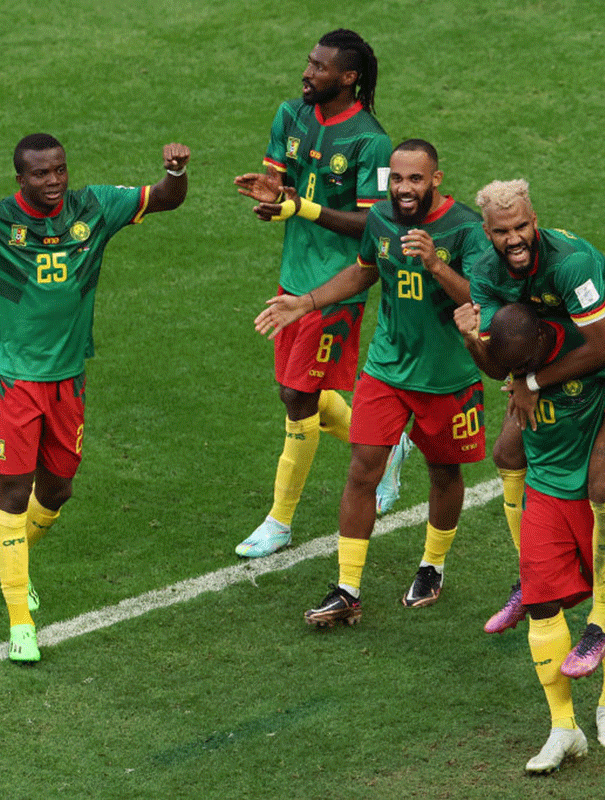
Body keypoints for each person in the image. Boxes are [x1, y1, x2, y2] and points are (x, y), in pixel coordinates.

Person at [0, 134, 190, 663]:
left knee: (57, 490)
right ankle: (21, 621)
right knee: (12, 491)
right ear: (21, 179)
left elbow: (166, 197)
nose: (54, 180)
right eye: (41, 174)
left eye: (60, 169)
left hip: (68, 377)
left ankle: (16, 563)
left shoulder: (94, 208)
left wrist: (174, 172)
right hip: (14, 377)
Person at [253, 139, 489, 624]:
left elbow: (485, 298)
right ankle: (347, 589)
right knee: (364, 470)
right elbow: (363, 272)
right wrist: (307, 302)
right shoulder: (380, 219)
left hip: (447, 376)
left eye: (415, 179)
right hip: (386, 368)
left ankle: (432, 566)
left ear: (436, 180)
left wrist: (436, 264)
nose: (404, 188)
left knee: (444, 472)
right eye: (397, 179)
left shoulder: (465, 227)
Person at [458, 178, 605, 682]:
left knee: (602, 482)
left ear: (536, 220)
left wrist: (529, 381)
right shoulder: (484, 273)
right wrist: (472, 341)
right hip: (557, 355)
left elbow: (603, 350)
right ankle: (529, 580)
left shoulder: (571, 263)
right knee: (507, 455)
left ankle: (600, 622)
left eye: (523, 226)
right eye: (503, 230)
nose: (516, 238)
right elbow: (499, 361)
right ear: (487, 232)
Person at [485, 302, 605, 772]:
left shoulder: (595, 350)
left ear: (539, 345)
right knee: (541, 606)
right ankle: (563, 729)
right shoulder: (516, 360)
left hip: (600, 498)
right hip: (545, 493)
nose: (519, 378)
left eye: (525, 367)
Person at [233, 29, 392, 559]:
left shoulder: (371, 142)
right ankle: (385, 448)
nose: (307, 72)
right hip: (293, 275)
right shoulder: (291, 115)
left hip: (339, 286)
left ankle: (279, 521)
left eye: (320, 67)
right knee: (293, 390)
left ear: (348, 78)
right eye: (309, 62)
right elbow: (282, 184)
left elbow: (373, 228)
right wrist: (272, 195)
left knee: (299, 397)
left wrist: (299, 207)